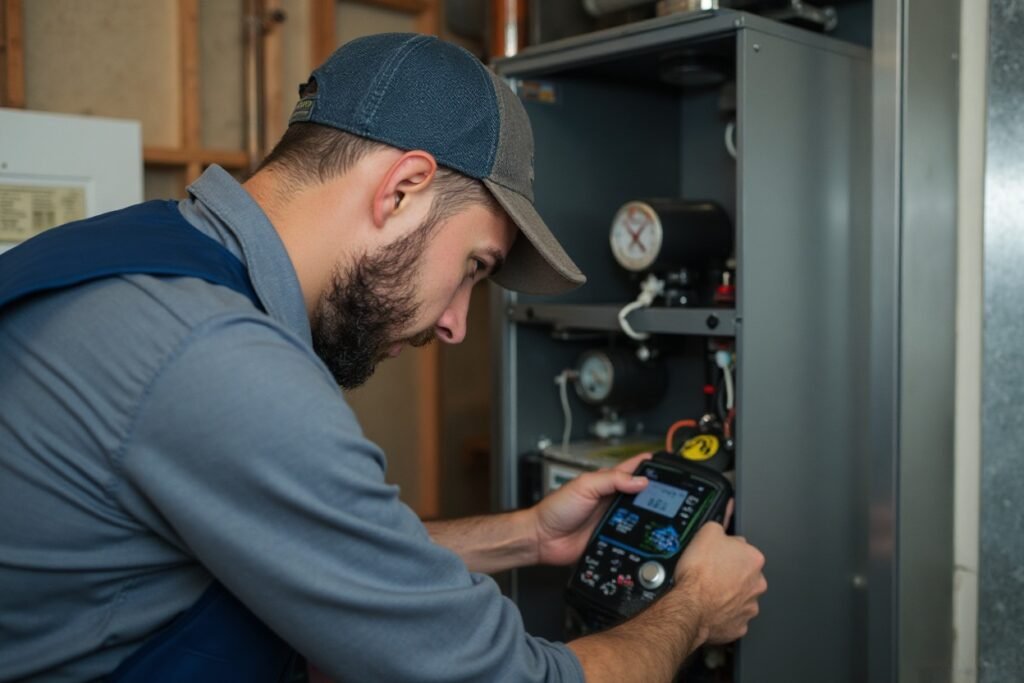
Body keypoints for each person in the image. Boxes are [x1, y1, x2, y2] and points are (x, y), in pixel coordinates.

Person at [0, 33, 766, 682]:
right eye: (473, 267)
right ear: (402, 190)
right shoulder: (220, 360)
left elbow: (319, 551)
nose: (460, 325)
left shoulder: (136, 261)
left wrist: (528, 534)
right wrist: (695, 603)